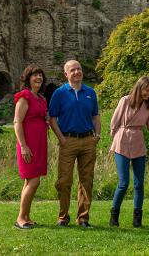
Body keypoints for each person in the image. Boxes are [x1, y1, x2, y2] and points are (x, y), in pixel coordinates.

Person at [49, 60, 101, 228]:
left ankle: (83, 218)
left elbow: (95, 116)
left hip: (88, 140)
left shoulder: (90, 92)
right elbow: (52, 118)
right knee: (64, 181)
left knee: (87, 180)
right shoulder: (59, 93)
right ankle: (63, 217)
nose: (77, 72)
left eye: (79, 69)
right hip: (68, 140)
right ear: (66, 74)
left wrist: (97, 135)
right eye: (73, 70)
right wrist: (61, 139)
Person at [109, 76, 149, 228]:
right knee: (123, 182)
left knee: (139, 183)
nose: (148, 93)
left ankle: (137, 218)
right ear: (139, 87)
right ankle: (114, 216)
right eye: (146, 90)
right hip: (122, 140)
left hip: (138, 142)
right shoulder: (125, 100)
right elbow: (114, 122)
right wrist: (114, 142)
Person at [13, 65, 48, 229]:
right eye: (35, 75)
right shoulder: (24, 96)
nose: (38, 78)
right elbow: (17, 122)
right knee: (33, 181)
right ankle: (20, 218)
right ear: (28, 78)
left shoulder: (40, 98)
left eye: (40, 75)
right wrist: (24, 146)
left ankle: (26, 216)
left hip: (40, 144)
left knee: (30, 181)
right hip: (28, 145)